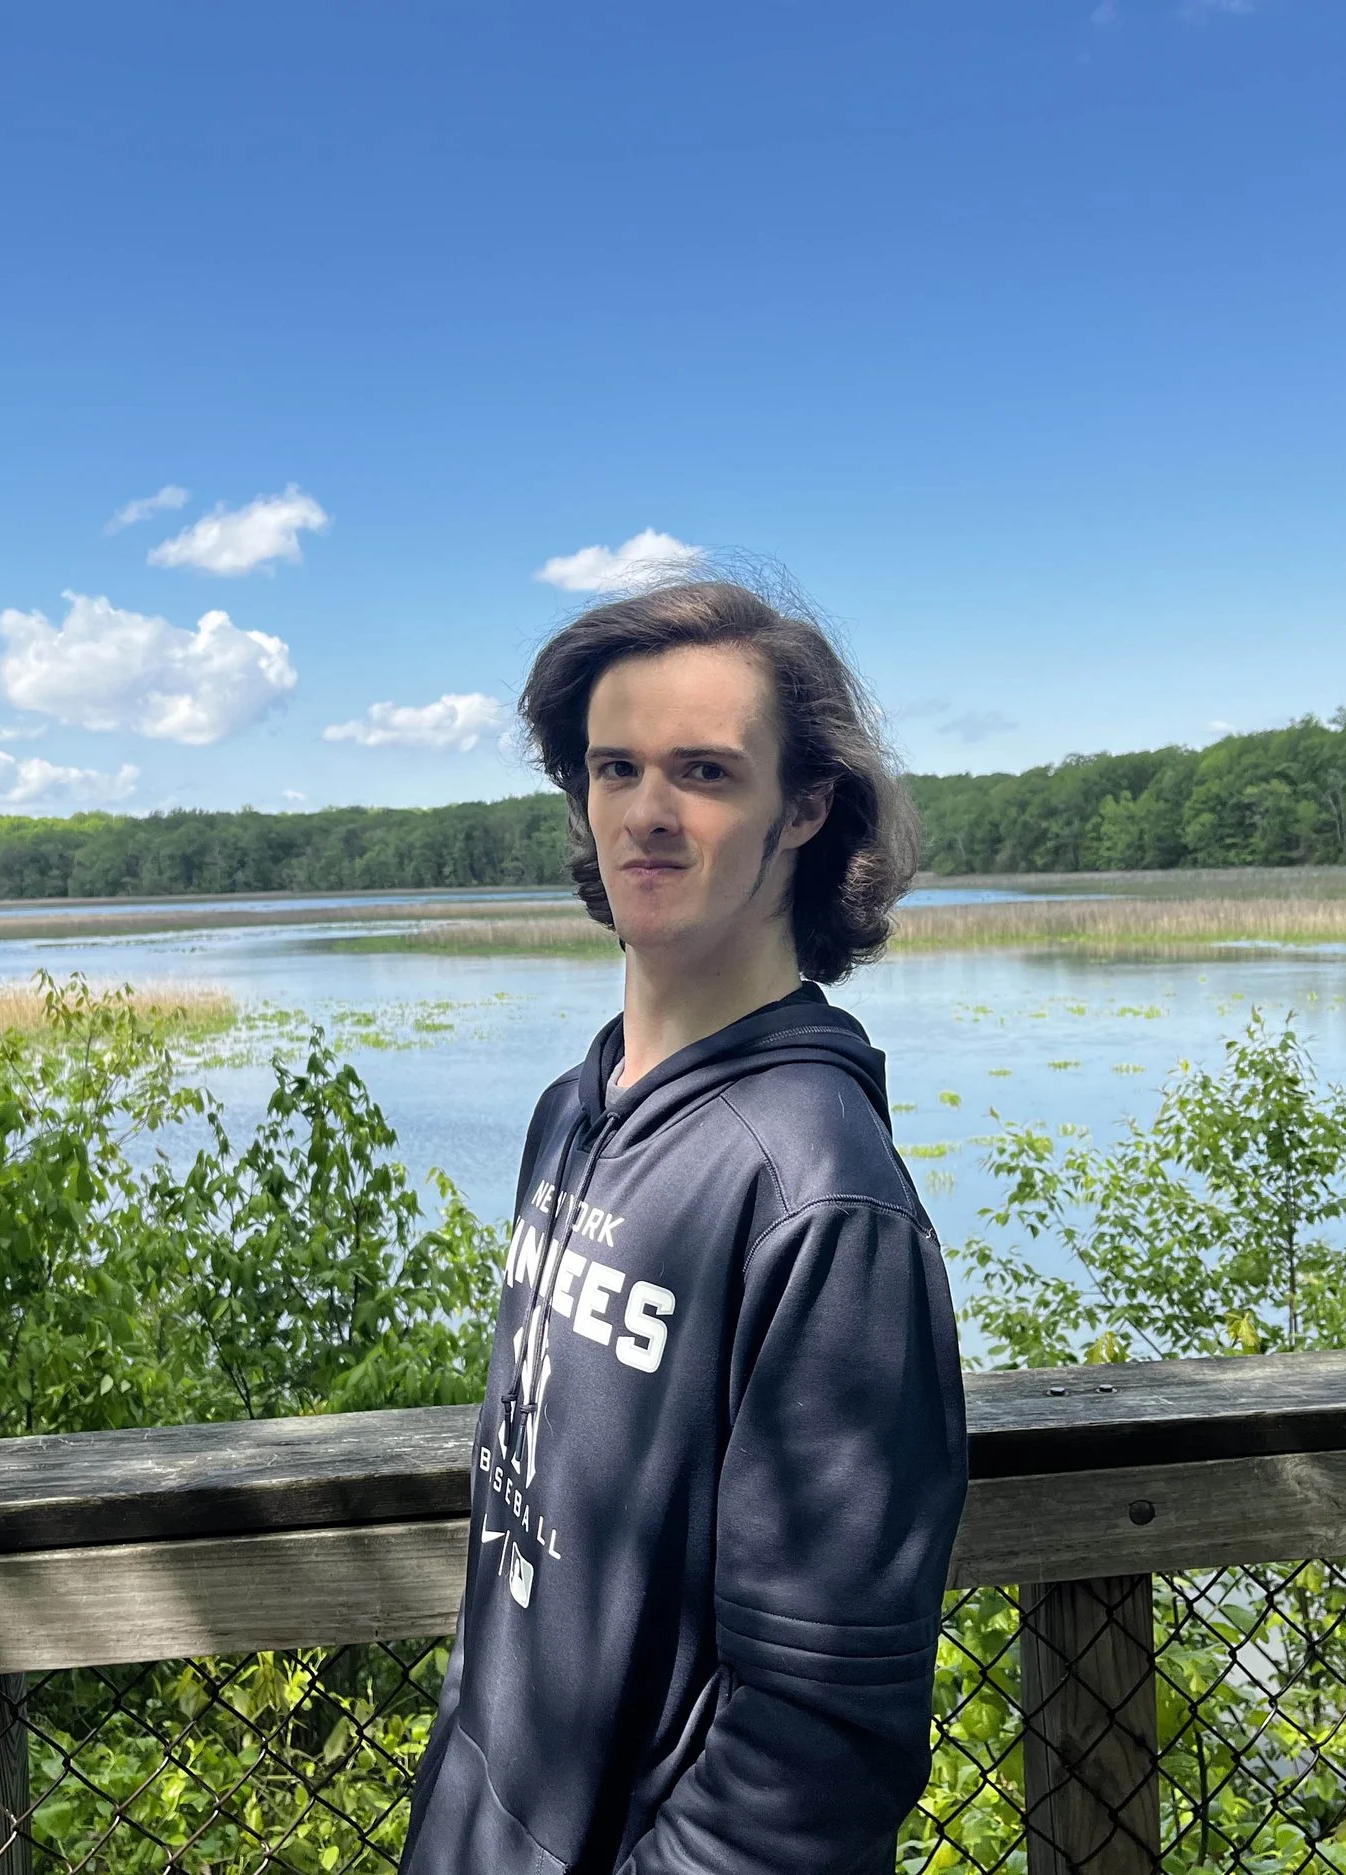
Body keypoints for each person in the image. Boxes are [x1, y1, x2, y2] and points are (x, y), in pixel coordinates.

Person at [400, 579, 969, 1875]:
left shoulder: (821, 1192)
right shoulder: (576, 1109)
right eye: (615, 768)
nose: (647, 814)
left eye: (705, 772)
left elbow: (821, 1741)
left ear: (806, 807)